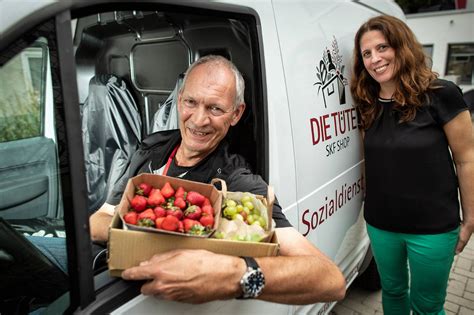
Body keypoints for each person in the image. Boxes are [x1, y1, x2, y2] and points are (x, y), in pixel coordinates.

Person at [90, 55, 346, 304]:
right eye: (191, 102)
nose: (199, 120)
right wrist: (154, 237)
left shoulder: (239, 183)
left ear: (236, 114)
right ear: (179, 100)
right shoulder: (151, 147)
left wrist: (234, 276)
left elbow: (330, 278)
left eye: (215, 108)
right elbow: (98, 220)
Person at [350, 15, 474, 315]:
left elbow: (466, 158)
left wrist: (470, 218)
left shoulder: (441, 94)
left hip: (432, 229)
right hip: (381, 225)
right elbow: (370, 158)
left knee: (427, 307)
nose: (375, 59)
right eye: (367, 53)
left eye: (382, 48)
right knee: (392, 293)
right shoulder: (366, 101)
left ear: (401, 47)